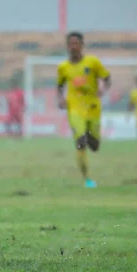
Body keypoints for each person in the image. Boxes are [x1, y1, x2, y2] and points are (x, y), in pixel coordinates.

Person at [57, 32, 111, 188]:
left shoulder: (92, 62)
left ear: (82, 45)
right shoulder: (63, 67)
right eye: (71, 44)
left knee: (94, 146)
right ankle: (87, 178)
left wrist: (103, 89)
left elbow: (107, 78)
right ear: (67, 46)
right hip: (74, 109)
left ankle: (89, 137)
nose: (73, 46)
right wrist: (60, 98)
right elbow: (60, 85)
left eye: (76, 43)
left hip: (93, 108)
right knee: (80, 142)